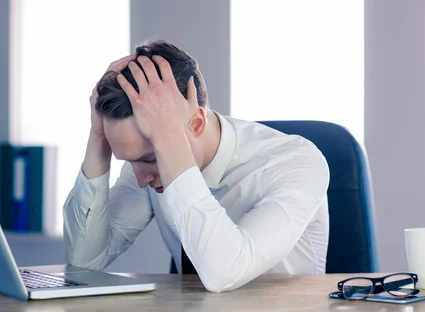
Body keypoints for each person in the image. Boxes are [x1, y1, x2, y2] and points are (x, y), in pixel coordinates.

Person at [63, 39, 330, 293]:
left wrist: (169, 142)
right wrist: (99, 139)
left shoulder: (298, 162)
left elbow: (223, 272)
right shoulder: (144, 167)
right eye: (131, 161)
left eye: (149, 158)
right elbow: (84, 262)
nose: (142, 179)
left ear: (197, 124)